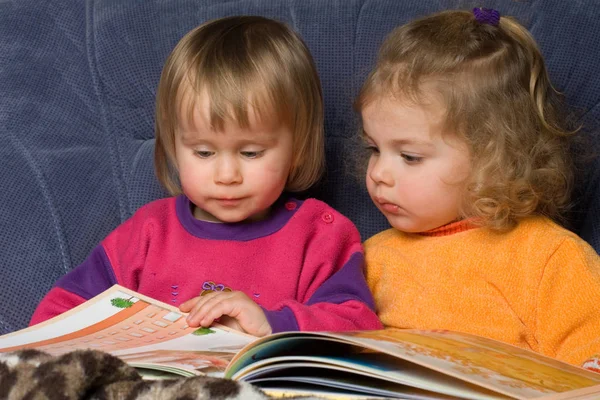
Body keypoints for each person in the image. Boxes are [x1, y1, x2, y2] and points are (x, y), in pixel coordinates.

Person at [31, 16, 382, 337]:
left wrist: (273, 323)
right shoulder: (147, 234)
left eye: (250, 153)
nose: (226, 175)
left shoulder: (320, 235)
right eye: (203, 152)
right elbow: (63, 311)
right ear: (174, 147)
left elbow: (358, 326)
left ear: (299, 147)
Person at [356, 8, 600, 368]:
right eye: (375, 150)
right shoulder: (368, 257)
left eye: (409, 157)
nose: (379, 174)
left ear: (495, 158)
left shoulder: (549, 259)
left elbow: (588, 364)